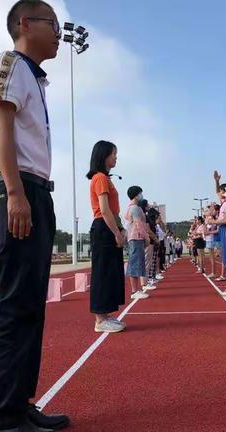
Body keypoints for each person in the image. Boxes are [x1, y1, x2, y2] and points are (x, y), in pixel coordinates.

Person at [0, 0, 69, 432]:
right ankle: (2, 416)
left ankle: (20, 404)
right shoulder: (10, 64)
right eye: (52, 23)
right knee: (15, 306)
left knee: (31, 306)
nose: (58, 32)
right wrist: (15, 193)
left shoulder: (34, 78)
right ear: (24, 23)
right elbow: (1, 124)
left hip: (37, 192)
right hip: (20, 191)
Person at [87, 141, 126, 334]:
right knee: (102, 273)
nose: (116, 157)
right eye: (113, 154)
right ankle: (99, 320)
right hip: (103, 228)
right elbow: (104, 210)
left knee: (110, 272)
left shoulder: (105, 178)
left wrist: (120, 229)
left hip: (108, 226)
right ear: (104, 156)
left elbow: (113, 210)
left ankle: (105, 315)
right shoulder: (100, 177)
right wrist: (117, 233)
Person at [124, 186, 150, 300]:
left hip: (136, 238)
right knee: (135, 263)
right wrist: (146, 237)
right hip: (136, 238)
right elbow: (138, 224)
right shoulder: (134, 208)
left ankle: (137, 289)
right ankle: (134, 291)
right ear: (136, 195)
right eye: (140, 193)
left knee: (138, 263)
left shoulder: (134, 208)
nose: (142, 196)